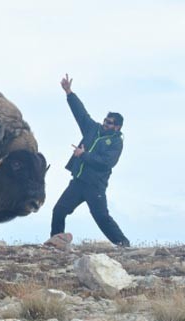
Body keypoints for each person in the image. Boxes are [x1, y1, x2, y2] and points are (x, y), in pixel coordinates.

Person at [49, 74, 130, 247]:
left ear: (117, 127)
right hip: (78, 182)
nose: (105, 124)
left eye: (109, 123)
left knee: (101, 217)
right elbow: (81, 113)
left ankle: (123, 244)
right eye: (105, 121)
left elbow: (106, 162)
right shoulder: (92, 129)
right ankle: (56, 243)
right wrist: (69, 92)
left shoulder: (116, 142)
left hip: (95, 185)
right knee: (59, 210)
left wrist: (83, 154)